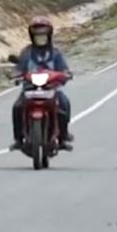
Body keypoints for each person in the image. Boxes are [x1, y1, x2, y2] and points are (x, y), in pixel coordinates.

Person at [10, 16, 74, 151]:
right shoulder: (26, 53)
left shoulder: (55, 53)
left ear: (49, 35)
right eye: (37, 36)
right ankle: (18, 139)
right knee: (17, 107)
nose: (41, 38)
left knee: (64, 104)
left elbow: (63, 69)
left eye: (43, 35)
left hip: (51, 89)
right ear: (32, 36)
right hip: (30, 89)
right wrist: (16, 74)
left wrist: (65, 75)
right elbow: (19, 68)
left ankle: (63, 137)